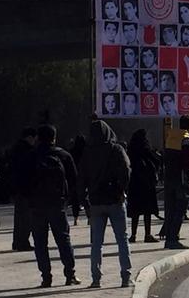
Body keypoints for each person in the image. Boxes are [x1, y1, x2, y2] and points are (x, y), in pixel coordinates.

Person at [77, 120, 132, 289]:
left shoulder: (87, 152)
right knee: (122, 239)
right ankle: (125, 276)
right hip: (115, 199)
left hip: (96, 202)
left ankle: (96, 279)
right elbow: (126, 170)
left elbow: (81, 179)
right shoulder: (116, 149)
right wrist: (122, 190)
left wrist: (84, 202)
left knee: (96, 243)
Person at [26, 124, 80, 288]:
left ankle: (46, 277)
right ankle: (70, 274)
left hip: (36, 206)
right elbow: (74, 179)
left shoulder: (31, 156)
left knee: (40, 243)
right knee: (63, 240)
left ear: (38, 138)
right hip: (57, 204)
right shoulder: (63, 155)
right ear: (54, 138)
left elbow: (22, 180)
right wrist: (66, 198)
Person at [162, 115, 189, 249]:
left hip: (169, 177)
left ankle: (168, 237)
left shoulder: (170, 137)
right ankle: (173, 238)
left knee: (170, 209)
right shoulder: (186, 139)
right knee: (180, 209)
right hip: (181, 179)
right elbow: (188, 162)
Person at [127, 129, 160, 243]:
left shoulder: (130, 151)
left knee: (135, 212)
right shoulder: (147, 149)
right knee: (147, 211)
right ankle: (147, 234)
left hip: (134, 184)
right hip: (147, 184)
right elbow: (157, 161)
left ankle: (133, 235)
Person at [10, 128, 37, 251]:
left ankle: (17, 242)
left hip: (17, 188)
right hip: (26, 188)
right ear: (30, 137)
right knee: (26, 218)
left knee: (19, 217)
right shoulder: (28, 151)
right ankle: (23, 242)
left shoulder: (14, 149)